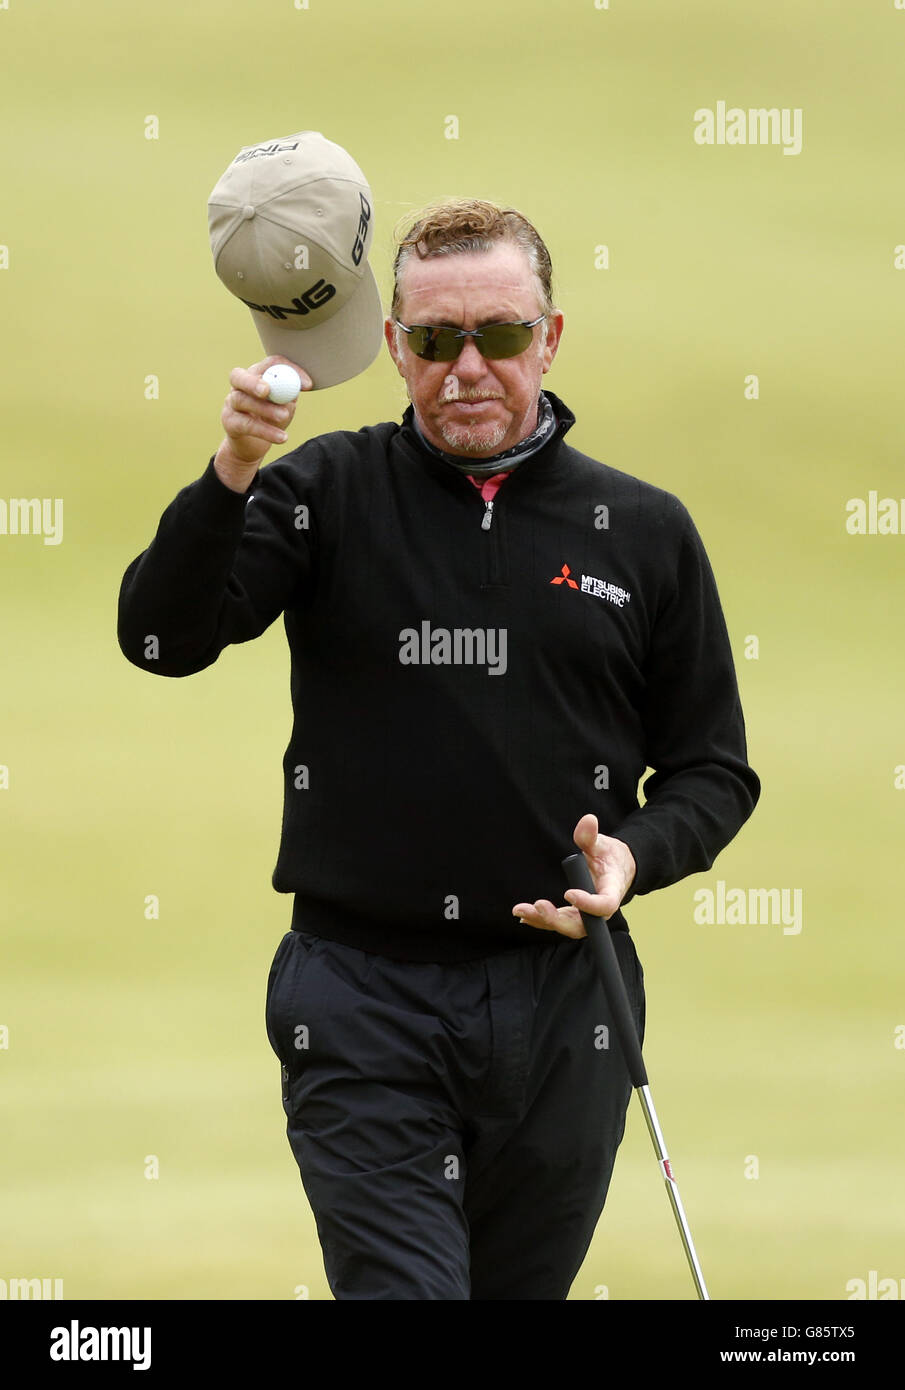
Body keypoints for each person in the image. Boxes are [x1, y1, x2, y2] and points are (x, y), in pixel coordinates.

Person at [117, 196, 760, 1301]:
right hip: (360, 997)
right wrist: (230, 471)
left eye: (500, 336)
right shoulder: (323, 492)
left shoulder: (640, 531)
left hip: (566, 1005)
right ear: (391, 347)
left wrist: (631, 857)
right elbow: (160, 636)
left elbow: (711, 770)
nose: (467, 365)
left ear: (548, 338)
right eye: (433, 339)